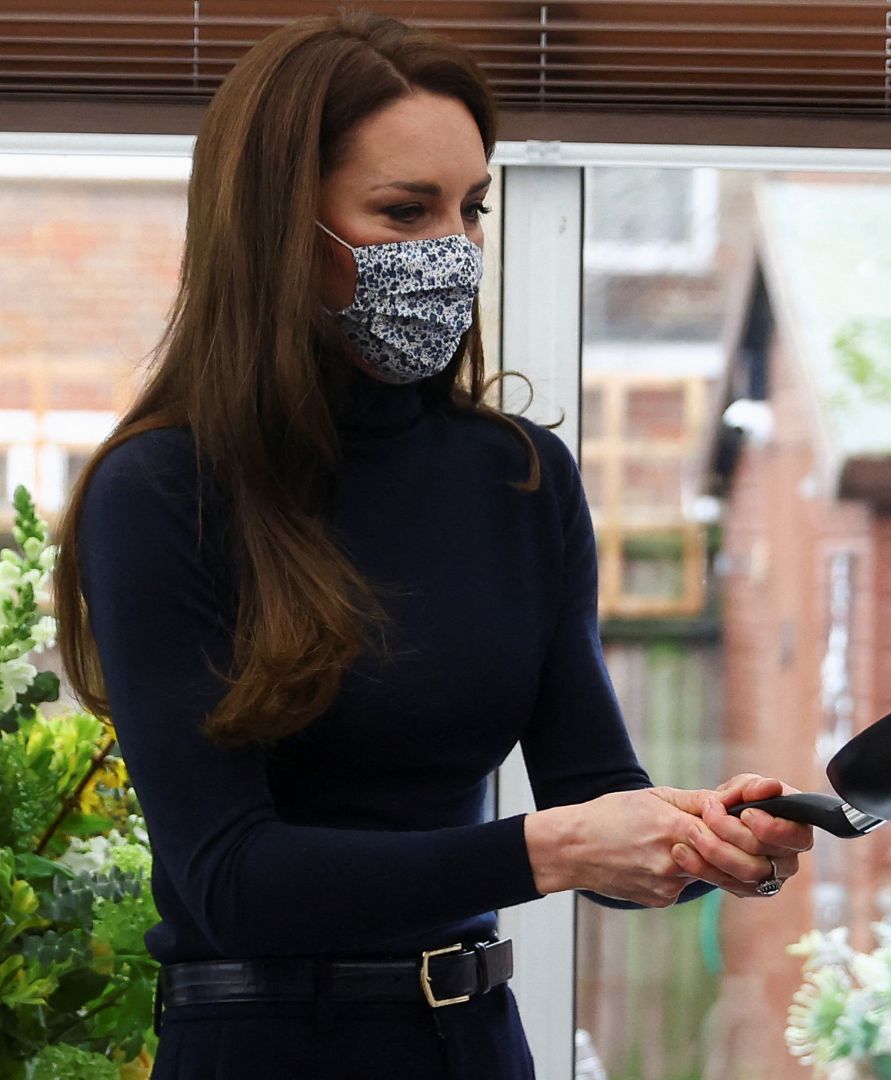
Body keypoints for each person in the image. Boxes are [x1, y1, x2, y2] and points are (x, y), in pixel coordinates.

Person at [49, 13, 812, 1078]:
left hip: (474, 1044)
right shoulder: (162, 492)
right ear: (278, 228)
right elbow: (230, 877)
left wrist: (700, 842)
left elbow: (593, 793)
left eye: (472, 209)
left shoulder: (521, 479)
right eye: (405, 211)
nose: (452, 251)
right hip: (262, 1050)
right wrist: (546, 852)